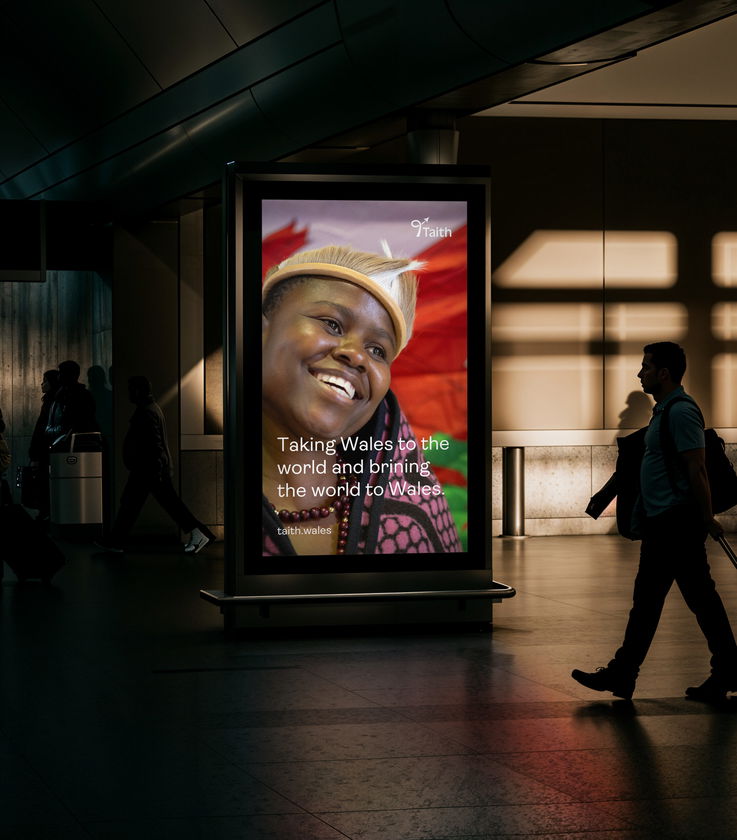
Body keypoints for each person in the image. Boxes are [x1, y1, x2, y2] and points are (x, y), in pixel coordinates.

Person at [261, 244, 462, 556]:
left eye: (377, 350)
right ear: (260, 330)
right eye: (332, 324)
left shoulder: (415, 520)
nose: (356, 356)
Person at [572, 341, 737, 702]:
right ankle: (629, 673)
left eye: (646, 367)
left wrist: (707, 518)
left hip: (677, 525)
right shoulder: (664, 411)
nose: (640, 373)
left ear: (664, 373)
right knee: (680, 601)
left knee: (680, 601)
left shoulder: (681, 412)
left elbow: (698, 469)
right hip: (664, 524)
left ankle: (625, 673)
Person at [95, 376, 214, 555]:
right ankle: (201, 534)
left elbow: (154, 444)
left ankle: (115, 541)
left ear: (137, 391)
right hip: (150, 469)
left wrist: (156, 468)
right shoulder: (151, 409)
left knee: (138, 505)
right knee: (153, 504)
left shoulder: (146, 412)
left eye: (131, 390)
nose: (128, 394)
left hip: (148, 469)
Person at [28, 369, 60, 519]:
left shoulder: (52, 402)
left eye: (45, 380)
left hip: (45, 448)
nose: (42, 383)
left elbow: (41, 429)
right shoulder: (50, 401)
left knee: (43, 483)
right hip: (46, 447)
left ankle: (45, 512)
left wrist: (34, 452)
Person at [45, 360, 98, 448]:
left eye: (61, 373)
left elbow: (74, 422)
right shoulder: (65, 395)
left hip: (73, 443)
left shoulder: (73, 395)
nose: (59, 377)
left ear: (69, 375)